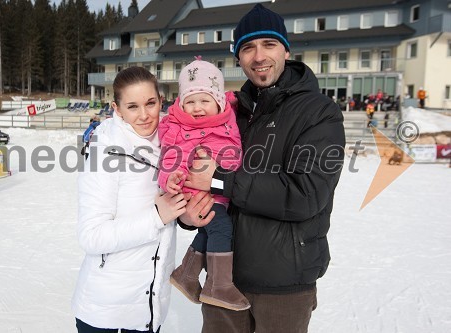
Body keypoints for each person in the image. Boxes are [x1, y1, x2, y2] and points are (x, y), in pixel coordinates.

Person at [180, 4, 346, 333]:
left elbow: (305, 194)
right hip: (224, 278)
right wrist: (189, 215)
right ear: (237, 57)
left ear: (286, 48)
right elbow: (194, 171)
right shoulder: (228, 112)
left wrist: (219, 179)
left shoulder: (318, 112)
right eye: (248, 47)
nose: (258, 56)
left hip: (284, 285)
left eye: (268, 44)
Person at [72, 67, 189, 333]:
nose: (145, 115)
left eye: (150, 103)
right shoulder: (105, 153)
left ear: (161, 100)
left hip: (150, 310)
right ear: (117, 108)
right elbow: (92, 236)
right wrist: (157, 217)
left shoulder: (172, 144)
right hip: (106, 315)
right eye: (133, 106)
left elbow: (175, 206)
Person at [157, 57, 249, 311]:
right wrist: (171, 178)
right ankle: (219, 285)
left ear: (218, 103)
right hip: (197, 192)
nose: (197, 108)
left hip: (221, 189)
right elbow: (170, 158)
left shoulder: (228, 116)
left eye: (204, 101)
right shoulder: (181, 127)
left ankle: (186, 275)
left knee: (208, 229)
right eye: (190, 102)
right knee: (220, 228)